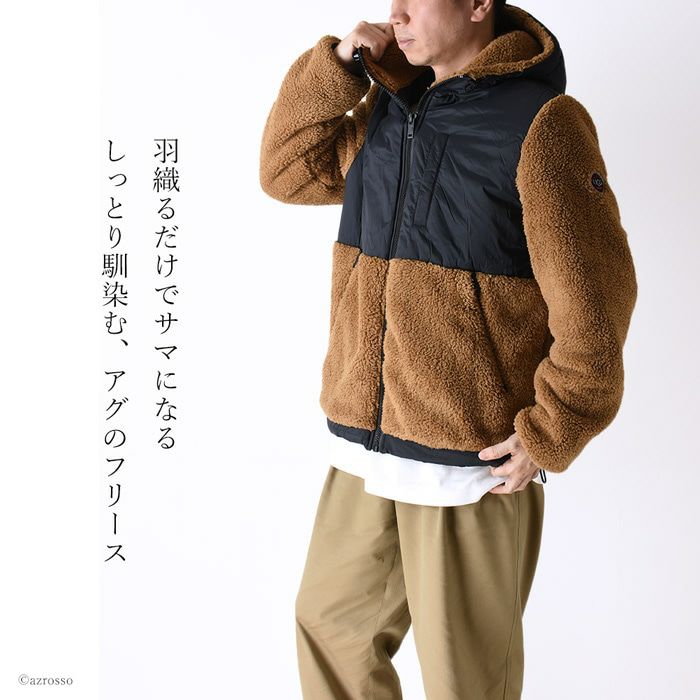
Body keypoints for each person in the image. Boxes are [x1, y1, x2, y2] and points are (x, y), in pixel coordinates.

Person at [259, 1, 637, 697]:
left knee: (466, 680)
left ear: (477, 5)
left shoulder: (542, 123)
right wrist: (337, 70)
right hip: (368, 443)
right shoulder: (387, 105)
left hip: (470, 460)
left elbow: (595, 296)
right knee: (331, 634)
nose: (396, 13)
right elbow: (287, 171)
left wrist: (555, 428)